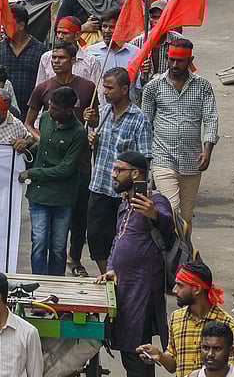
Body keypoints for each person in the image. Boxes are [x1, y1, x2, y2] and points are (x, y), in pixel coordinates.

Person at [98, 151, 176, 377]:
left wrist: (153, 214)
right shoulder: (124, 203)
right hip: (123, 286)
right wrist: (111, 267)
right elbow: (117, 240)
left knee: (136, 350)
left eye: (118, 170)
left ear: (135, 173)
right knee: (127, 347)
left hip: (142, 288)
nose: (113, 175)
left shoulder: (155, 199)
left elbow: (167, 226)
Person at [142, 39, 216, 238]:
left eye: (180, 61)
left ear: (190, 60)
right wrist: (144, 158)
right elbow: (145, 123)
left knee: (185, 218)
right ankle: (167, 258)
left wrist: (207, 151)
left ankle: (183, 257)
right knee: (171, 210)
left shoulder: (203, 86)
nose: (175, 65)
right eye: (171, 60)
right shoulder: (153, 86)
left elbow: (210, 119)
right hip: (162, 158)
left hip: (192, 161)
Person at [87, 67, 153, 275]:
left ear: (124, 89)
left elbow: (144, 159)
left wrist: (138, 192)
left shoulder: (138, 119)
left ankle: (119, 279)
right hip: (99, 185)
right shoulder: (105, 112)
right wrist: (93, 139)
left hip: (123, 194)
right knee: (96, 239)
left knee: (122, 241)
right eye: (104, 87)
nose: (105, 92)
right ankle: (105, 275)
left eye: (109, 88)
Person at [19, 86, 87, 276]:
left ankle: (57, 285)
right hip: (39, 194)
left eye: (55, 108)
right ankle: (39, 285)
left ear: (68, 110)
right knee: (39, 241)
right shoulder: (47, 119)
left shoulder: (79, 133)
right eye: (49, 106)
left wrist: (33, 173)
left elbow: (66, 169)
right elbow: (42, 147)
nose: (50, 111)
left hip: (62, 196)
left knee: (58, 245)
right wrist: (24, 151)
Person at [137, 261, 234, 376]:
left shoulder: (229, 327)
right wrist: (159, 356)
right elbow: (173, 365)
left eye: (180, 285)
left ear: (197, 289)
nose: (175, 290)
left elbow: (231, 372)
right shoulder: (176, 318)